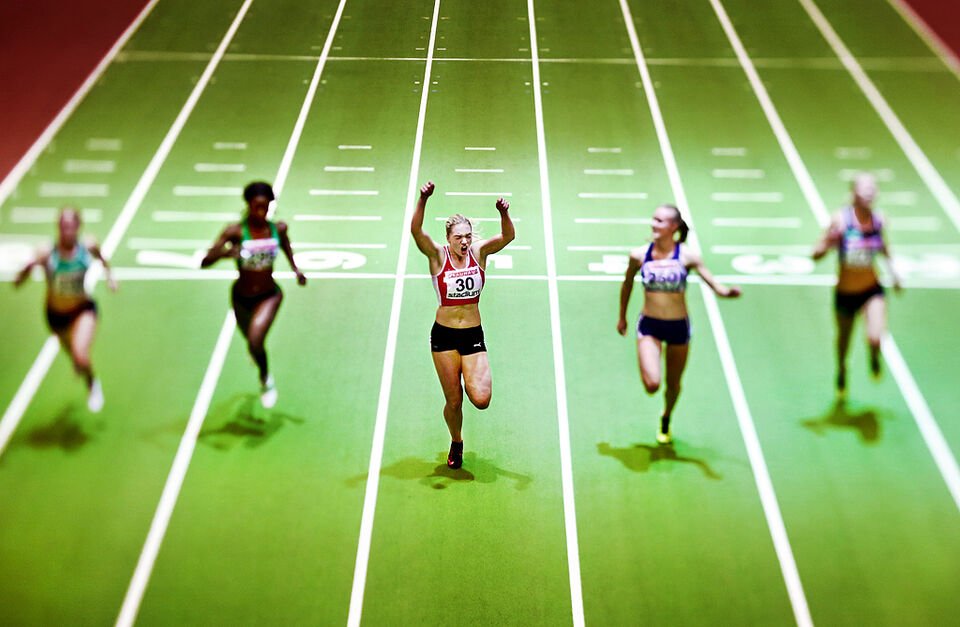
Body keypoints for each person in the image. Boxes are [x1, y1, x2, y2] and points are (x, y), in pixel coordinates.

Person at [410, 181, 514, 469]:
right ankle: (456, 441)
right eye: (458, 238)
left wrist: (503, 212)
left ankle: (471, 374)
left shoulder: (479, 253)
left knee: (481, 399)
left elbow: (508, 236)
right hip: (443, 337)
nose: (464, 242)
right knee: (454, 402)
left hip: (472, 335)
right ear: (448, 238)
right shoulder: (438, 256)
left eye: (468, 236)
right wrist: (423, 199)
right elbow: (416, 231)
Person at [617, 204, 740, 444]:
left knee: (673, 384)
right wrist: (622, 316)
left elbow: (714, 284)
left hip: (678, 328)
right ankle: (657, 392)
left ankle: (666, 417)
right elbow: (627, 283)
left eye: (660, 221)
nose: (653, 224)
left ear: (674, 227)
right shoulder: (639, 255)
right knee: (652, 384)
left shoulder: (687, 256)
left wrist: (727, 293)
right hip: (650, 326)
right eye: (653, 219)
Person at [201, 181, 306, 408]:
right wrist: (226, 253)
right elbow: (205, 262)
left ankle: (266, 379)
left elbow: (286, 246)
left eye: (265, 206)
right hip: (241, 298)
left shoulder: (278, 229)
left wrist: (296, 269)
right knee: (252, 343)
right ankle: (255, 352)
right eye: (257, 206)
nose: (261, 211)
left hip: (269, 295)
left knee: (256, 340)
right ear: (248, 204)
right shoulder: (235, 232)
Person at [13, 207, 117, 412]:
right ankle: (81, 367)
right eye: (63, 227)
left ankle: (92, 382)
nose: (67, 231)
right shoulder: (47, 252)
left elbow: (101, 256)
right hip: (55, 316)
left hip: (81, 310)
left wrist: (110, 276)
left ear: (78, 227)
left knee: (80, 355)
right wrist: (22, 276)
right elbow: (28, 268)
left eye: (70, 227)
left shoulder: (87, 246)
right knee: (74, 356)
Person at [812, 173, 901, 397]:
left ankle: (874, 356)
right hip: (846, 292)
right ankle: (842, 368)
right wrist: (830, 241)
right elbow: (816, 253)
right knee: (844, 341)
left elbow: (884, 247)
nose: (870, 192)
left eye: (873, 187)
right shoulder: (841, 220)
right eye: (865, 188)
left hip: (871, 290)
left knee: (875, 337)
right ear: (854, 192)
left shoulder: (879, 220)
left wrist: (895, 274)